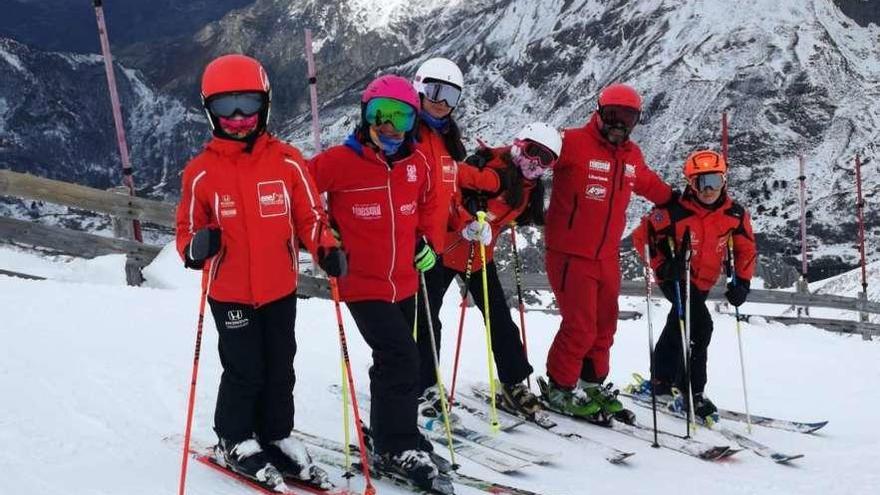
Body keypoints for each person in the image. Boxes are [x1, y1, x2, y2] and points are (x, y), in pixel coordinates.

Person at [175, 54, 345, 488]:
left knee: (280, 365)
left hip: (278, 287)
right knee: (244, 367)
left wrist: (326, 247)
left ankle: (275, 434)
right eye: (225, 107)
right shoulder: (200, 173)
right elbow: (187, 231)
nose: (237, 118)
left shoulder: (287, 162)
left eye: (247, 104)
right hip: (229, 291)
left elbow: (310, 217)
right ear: (208, 110)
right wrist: (197, 246)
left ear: (265, 104)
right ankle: (234, 437)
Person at [308, 75, 445, 490]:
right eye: (379, 115)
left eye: (401, 117)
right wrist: (325, 241)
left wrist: (429, 242)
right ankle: (396, 442)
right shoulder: (337, 162)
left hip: (404, 280)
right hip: (360, 283)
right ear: (365, 115)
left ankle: (391, 429)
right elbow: (303, 199)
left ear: (412, 121)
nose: (389, 127)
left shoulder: (417, 162)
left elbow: (432, 205)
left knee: (396, 359)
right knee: (403, 357)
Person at [542, 83, 673, 423]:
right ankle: (560, 385)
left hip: (606, 255)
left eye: (627, 118)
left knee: (604, 326)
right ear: (599, 111)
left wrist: (678, 203)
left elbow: (651, 184)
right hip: (569, 253)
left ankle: (592, 382)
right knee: (580, 325)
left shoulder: (631, 156)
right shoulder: (571, 142)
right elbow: (530, 154)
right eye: (613, 115)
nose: (619, 123)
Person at [439, 122, 561, 418]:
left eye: (545, 159)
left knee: (501, 321)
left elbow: (505, 214)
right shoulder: (492, 174)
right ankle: (423, 383)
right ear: (520, 144)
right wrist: (466, 219)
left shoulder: (530, 188)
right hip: (443, 251)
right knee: (426, 318)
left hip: (479, 257)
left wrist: (504, 225)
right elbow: (447, 180)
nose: (535, 162)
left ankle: (513, 381)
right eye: (533, 152)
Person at [631, 149, 757, 421]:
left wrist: (742, 282)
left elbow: (746, 249)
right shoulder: (673, 211)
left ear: (724, 180)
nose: (708, 189)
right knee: (700, 326)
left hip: (702, 281)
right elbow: (642, 237)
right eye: (701, 183)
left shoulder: (735, 214)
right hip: (675, 278)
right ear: (690, 183)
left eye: (714, 181)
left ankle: (660, 381)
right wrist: (662, 265)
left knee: (678, 324)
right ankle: (690, 392)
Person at [411, 57, 504, 415]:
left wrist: (465, 221)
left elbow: (448, 195)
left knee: (427, 319)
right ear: (419, 87)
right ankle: (411, 387)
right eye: (434, 90)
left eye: (450, 95)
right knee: (412, 321)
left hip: (432, 247)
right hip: (406, 243)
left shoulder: (447, 140)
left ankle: (424, 382)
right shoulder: (406, 134)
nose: (441, 101)